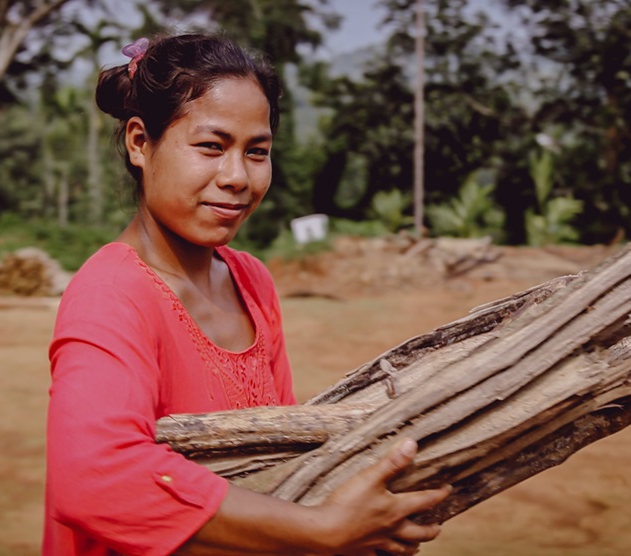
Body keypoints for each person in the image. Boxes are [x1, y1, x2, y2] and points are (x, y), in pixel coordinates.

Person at [43, 33, 450, 556]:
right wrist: (322, 532)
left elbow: (280, 451)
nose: (237, 177)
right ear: (140, 142)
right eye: (211, 147)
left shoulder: (251, 280)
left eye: (256, 152)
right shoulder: (111, 294)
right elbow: (93, 478)